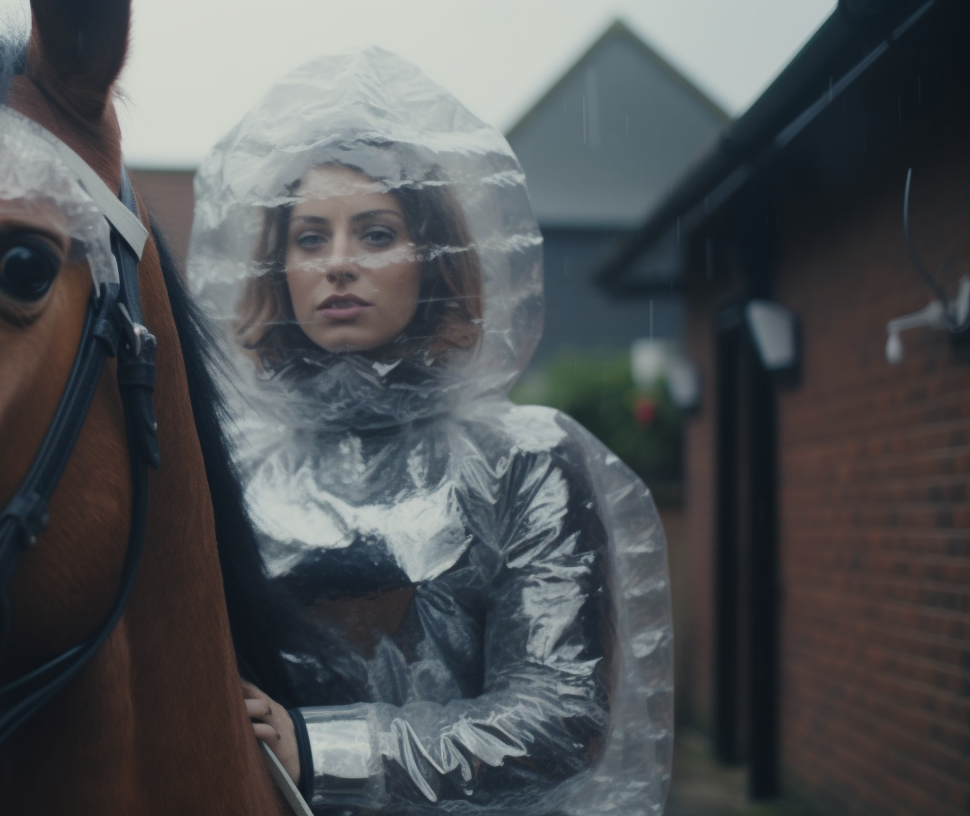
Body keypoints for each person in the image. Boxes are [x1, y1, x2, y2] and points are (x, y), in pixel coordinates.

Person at [187, 49, 672, 815]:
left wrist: (314, 752)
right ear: (277, 267)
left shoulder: (525, 458)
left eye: (376, 234)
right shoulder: (226, 463)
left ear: (435, 258)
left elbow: (560, 717)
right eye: (311, 238)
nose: (338, 263)